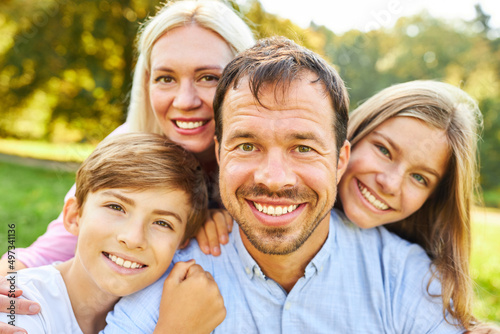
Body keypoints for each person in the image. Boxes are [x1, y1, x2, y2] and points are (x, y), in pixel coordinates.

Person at [101, 37, 465, 333]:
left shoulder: (404, 278)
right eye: (247, 145)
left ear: (340, 160)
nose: (274, 178)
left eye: (302, 148)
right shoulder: (166, 275)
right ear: (218, 152)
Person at [0, 0, 255, 320]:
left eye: (208, 78)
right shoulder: (127, 150)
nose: (185, 101)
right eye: (166, 78)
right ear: (146, 82)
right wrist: (8, 284)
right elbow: (55, 245)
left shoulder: (274, 157)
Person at [197, 80, 491, 332]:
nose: (389, 183)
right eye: (384, 150)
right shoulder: (215, 241)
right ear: (349, 138)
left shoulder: (405, 274)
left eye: (419, 177)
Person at [1, 133, 225, 333]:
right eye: (116, 207)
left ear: (182, 243)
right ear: (73, 216)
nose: (133, 238)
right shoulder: (21, 308)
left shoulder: (170, 305)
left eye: (162, 223)